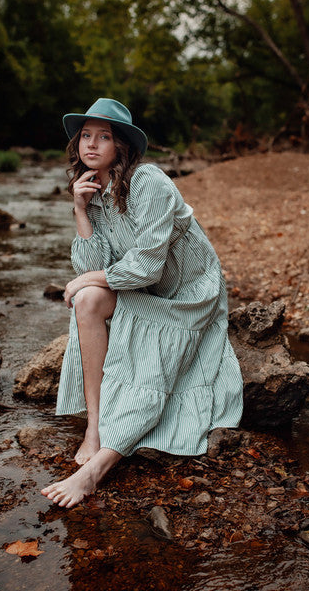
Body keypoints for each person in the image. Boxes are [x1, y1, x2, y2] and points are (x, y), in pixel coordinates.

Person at [41, 98, 243, 508]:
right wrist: (80, 208)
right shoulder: (93, 189)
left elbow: (147, 266)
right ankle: (94, 429)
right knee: (87, 300)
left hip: (189, 295)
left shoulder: (149, 181)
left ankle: (96, 470)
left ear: (122, 146)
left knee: (140, 350)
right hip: (146, 294)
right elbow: (94, 266)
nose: (92, 145)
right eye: (86, 136)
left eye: (104, 137)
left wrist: (85, 278)